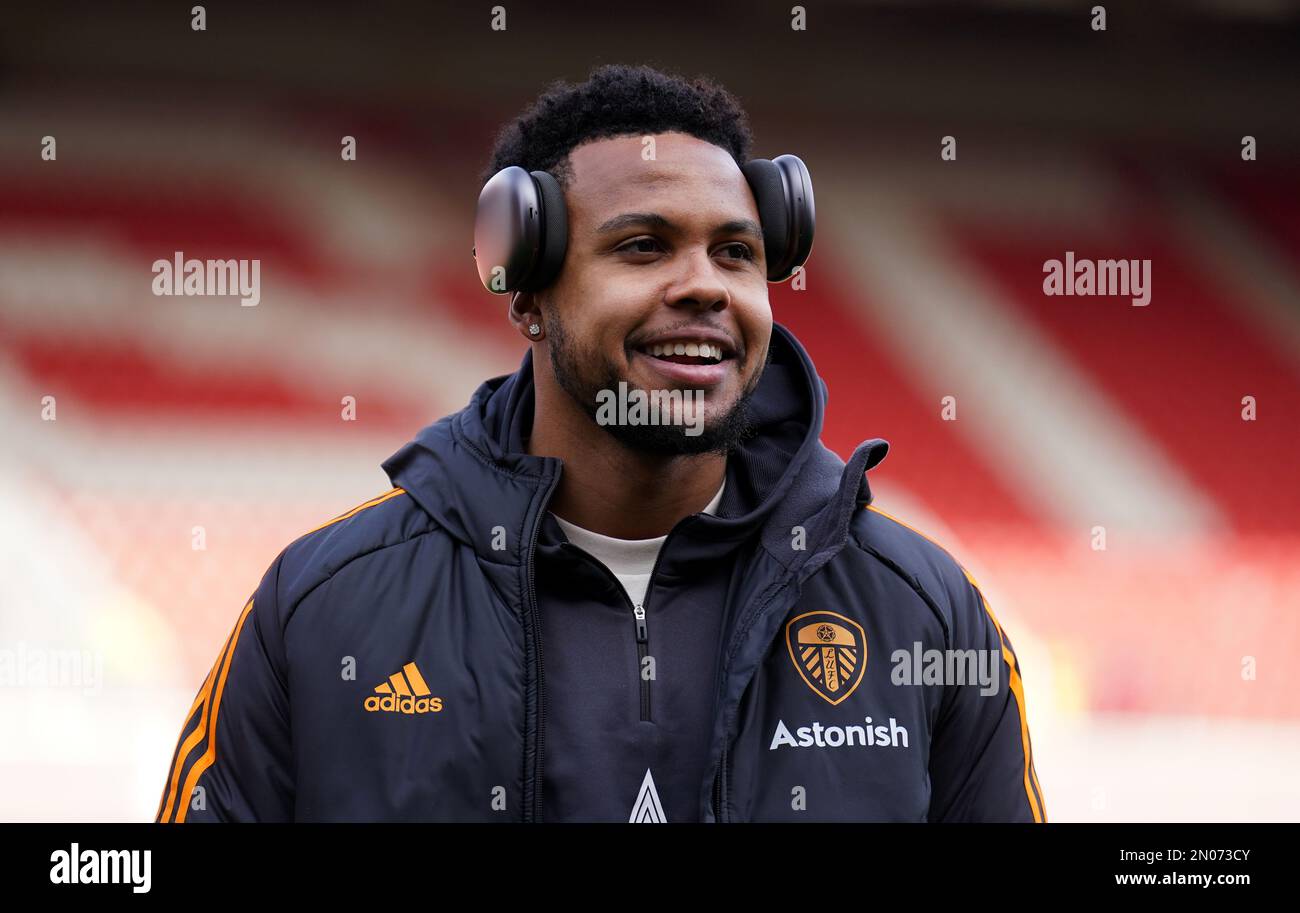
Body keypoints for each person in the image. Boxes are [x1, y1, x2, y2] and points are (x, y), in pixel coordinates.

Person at [155, 63, 1045, 823]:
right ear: (528, 292)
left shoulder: (924, 610)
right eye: (644, 247)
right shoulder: (320, 608)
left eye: (736, 253)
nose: (704, 285)